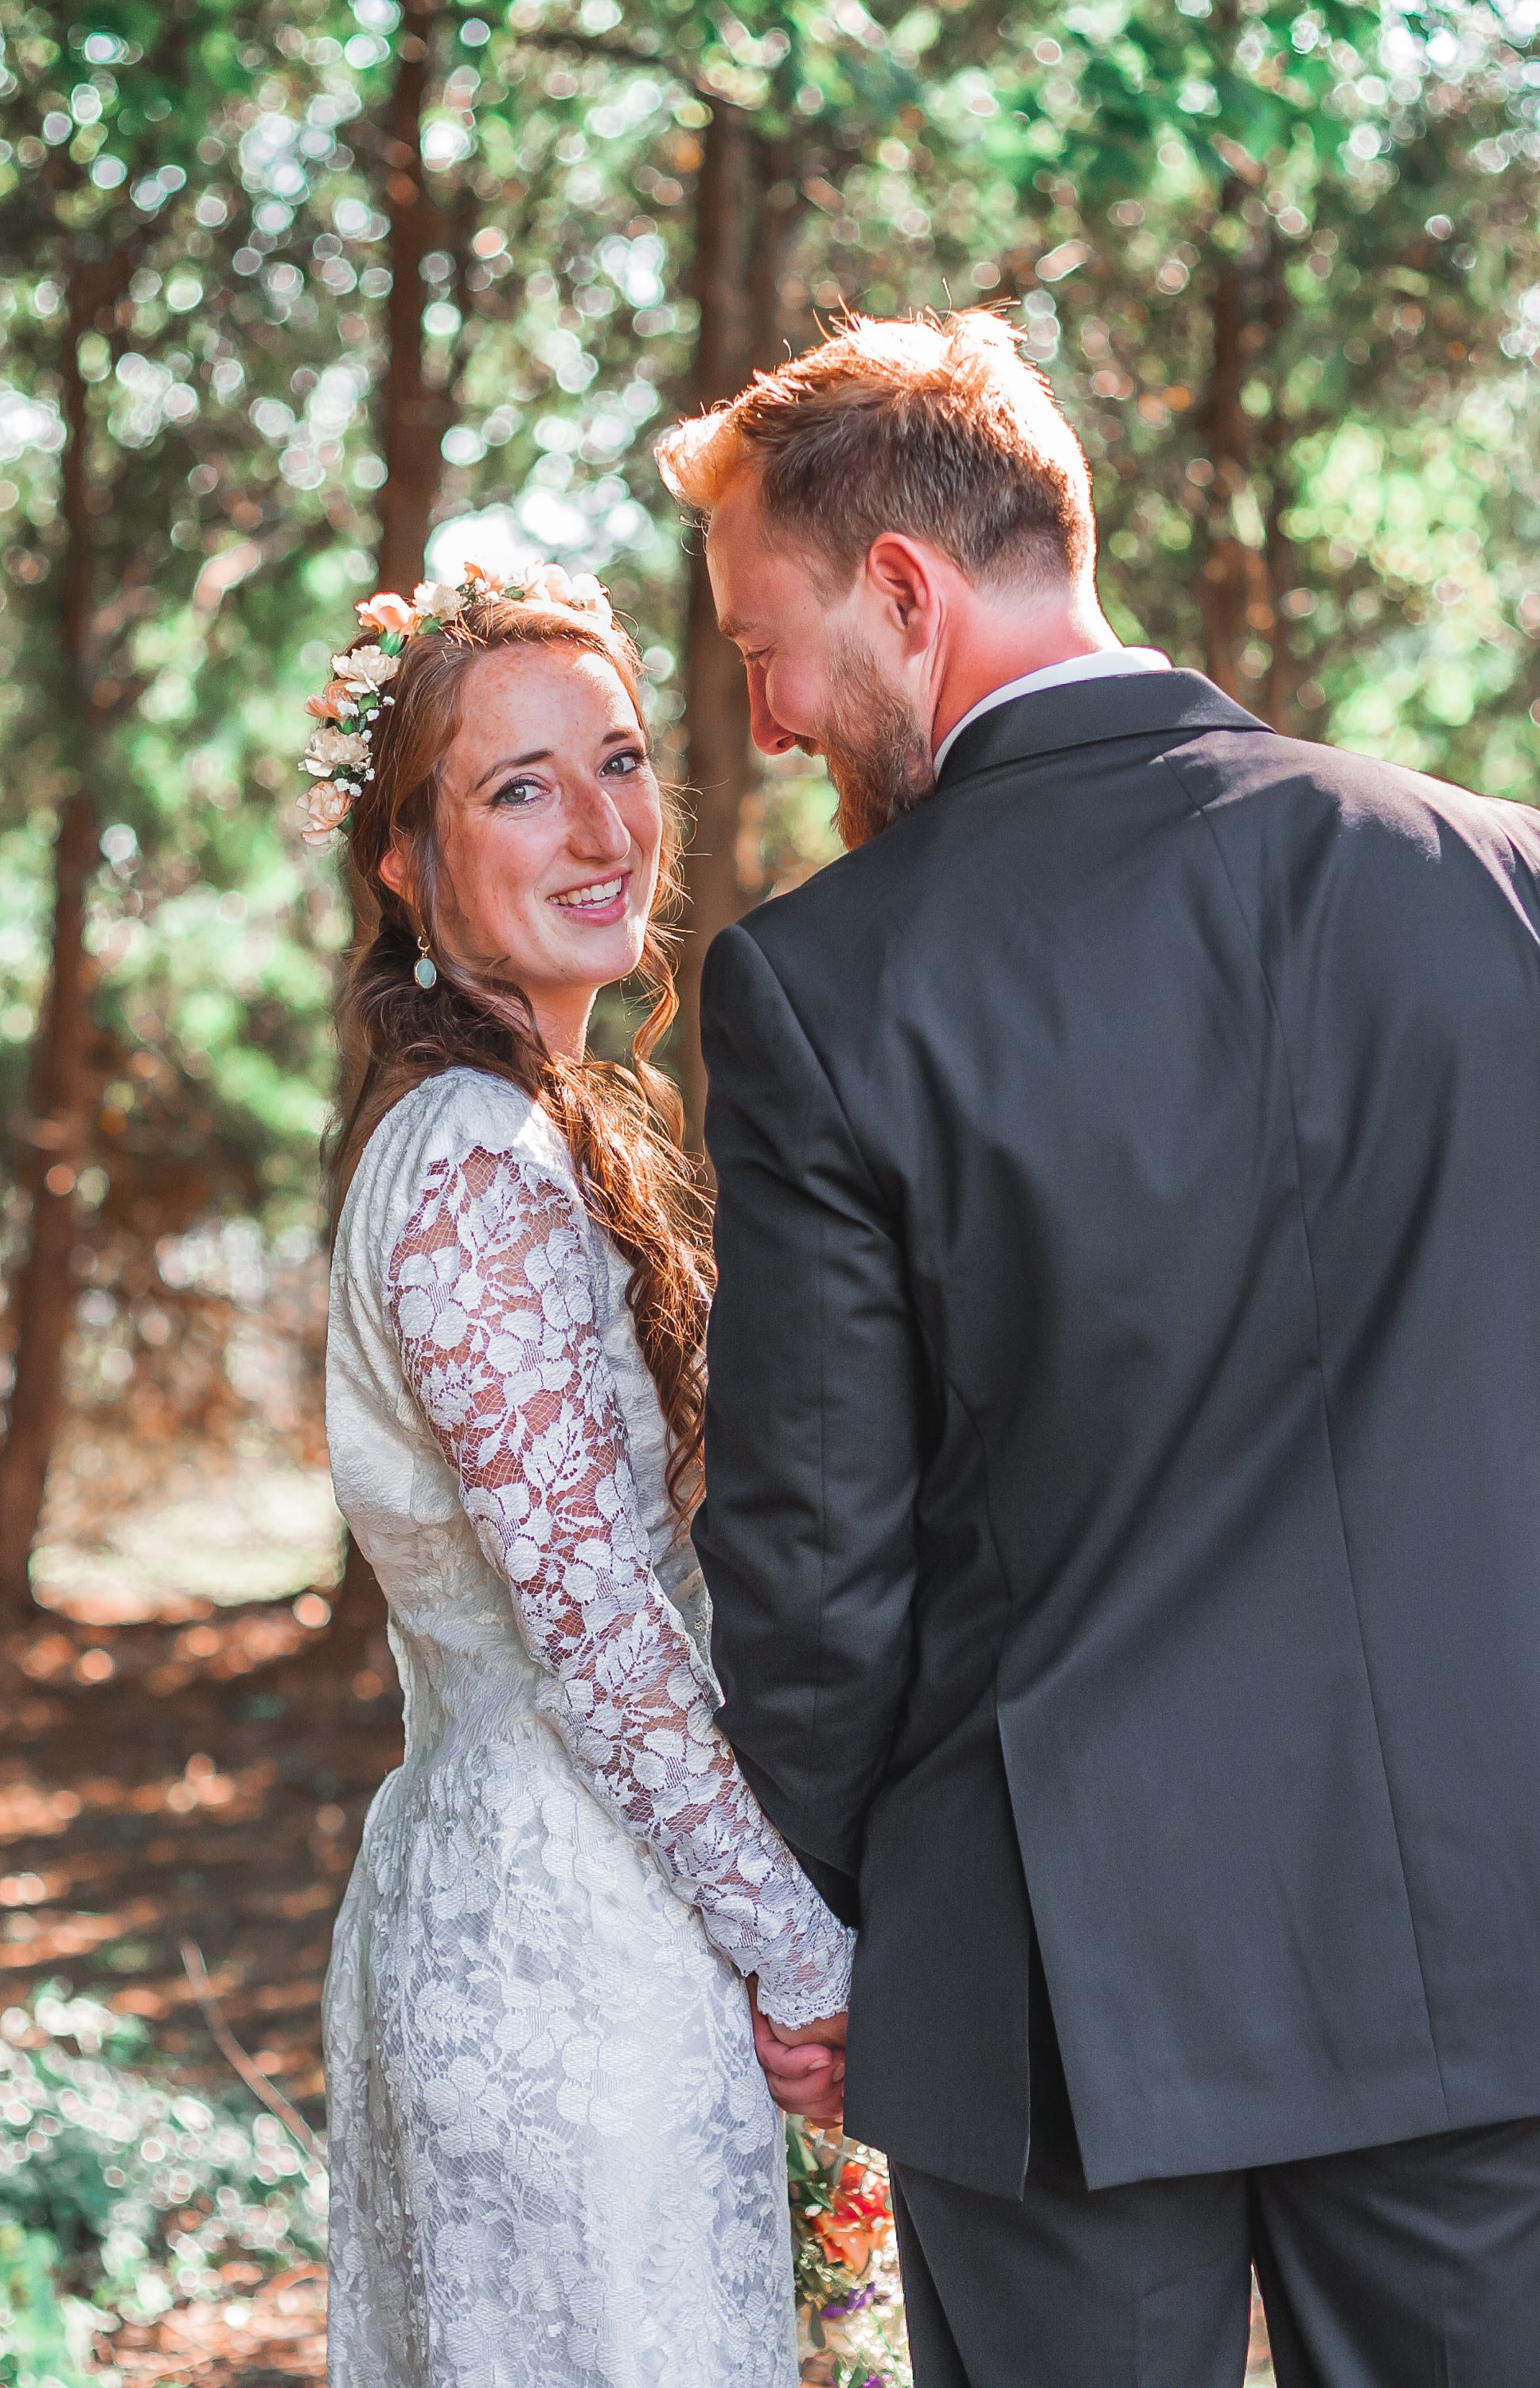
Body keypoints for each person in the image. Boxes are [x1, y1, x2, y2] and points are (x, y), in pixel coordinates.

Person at [655, 310, 1540, 2387]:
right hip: (1483, 1940)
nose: (768, 717)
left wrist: (854, 1916)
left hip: (1054, 1980)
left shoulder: (827, 985)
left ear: (903, 591)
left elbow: (805, 1570)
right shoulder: (1498, 882)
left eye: (761, 643)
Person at [310, 560, 852, 2388]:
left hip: (539, 1895)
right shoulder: (472, 1168)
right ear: (404, 861)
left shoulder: (504, 1126)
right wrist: (804, 1952)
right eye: (518, 785)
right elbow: (605, 1636)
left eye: (618, 760)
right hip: (573, 1946)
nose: (604, 823)